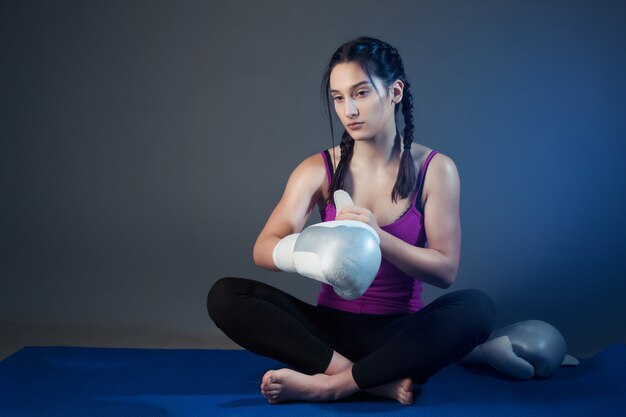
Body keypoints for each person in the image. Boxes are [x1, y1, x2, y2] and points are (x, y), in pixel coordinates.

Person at [207, 36, 495, 405]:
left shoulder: (436, 170)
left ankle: (332, 386)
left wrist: (377, 237)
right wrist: (313, 247)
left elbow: (445, 271)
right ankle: (363, 378)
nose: (349, 110)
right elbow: (263, 249)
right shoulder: (318, 169)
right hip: (326, 336)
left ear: (394, 92)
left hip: (398, 339)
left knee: (477, 309)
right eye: (339, 97)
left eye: (360, 93)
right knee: (226, 295)